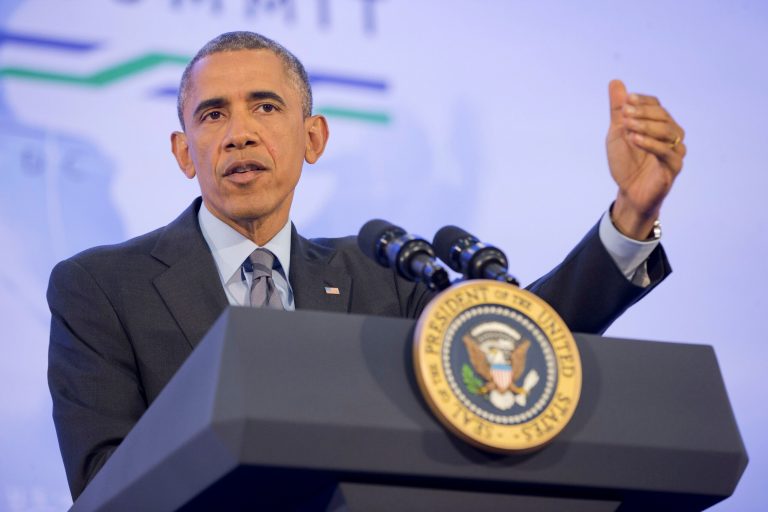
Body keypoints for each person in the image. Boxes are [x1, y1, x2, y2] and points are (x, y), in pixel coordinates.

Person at [47, 31, 685, 499]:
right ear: (185, 152)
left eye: (266, 108)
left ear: (314, 137)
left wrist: (629, 216)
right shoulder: (100, 288)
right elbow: (105, 485)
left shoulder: (385, 274)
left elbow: (516, 344)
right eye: (213, 115)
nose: (239, 134)